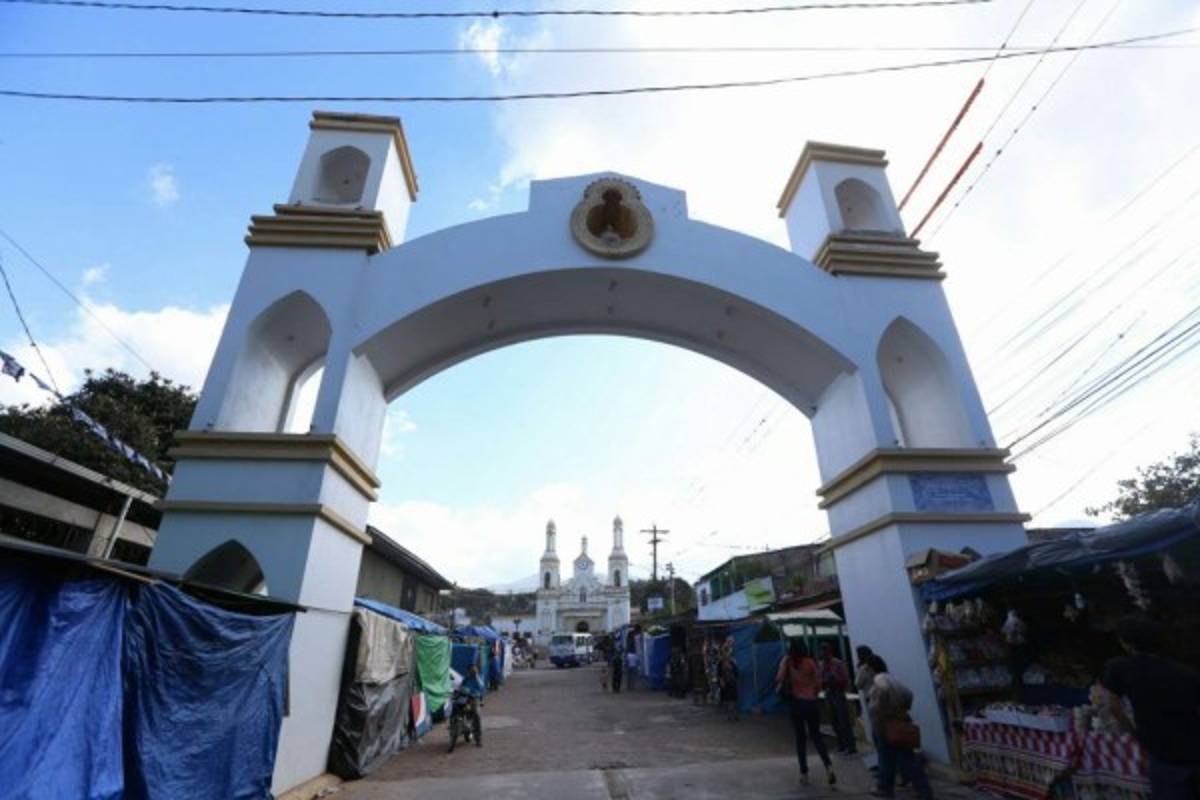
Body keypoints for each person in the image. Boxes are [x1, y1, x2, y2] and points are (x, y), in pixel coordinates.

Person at [1100, 615, 1200, 800]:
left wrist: (1133, 731)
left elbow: (1112, 704)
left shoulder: (1120, 667)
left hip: (1163, 753)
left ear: (1126, 643)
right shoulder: (1185, 672)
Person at [866, 656, 932, 800]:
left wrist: (881, 710)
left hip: (885, 724)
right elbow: (909, 694)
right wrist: (902, 709)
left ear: (872, 668)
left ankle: (885, 788)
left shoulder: (879, 679)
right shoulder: (891, 678)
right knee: (906, 758)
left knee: (886, 758)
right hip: (899, 722)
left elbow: (883, 691)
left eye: (868, 668)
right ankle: (924, 790)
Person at [776, 640, 837, 786]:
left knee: (800, 739)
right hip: (811, 703)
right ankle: (828, 767)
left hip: (796, 704)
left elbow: (778, 678)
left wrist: (784, 667)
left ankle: (804, 774)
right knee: (817, 737)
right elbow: (818, 684)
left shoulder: (789, 661)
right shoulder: (811, 662)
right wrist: (813, 693)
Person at [821, 642, 857, 755]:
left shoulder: (837, 663)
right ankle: (841, 745)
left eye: (824, 652)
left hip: (838, 692)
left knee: (843, 720)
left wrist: (834, 680)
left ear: (829, 652)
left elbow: (845, 680)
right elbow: (820, 678)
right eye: (821, 652)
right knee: (834, 720)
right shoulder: (823, 665)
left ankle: (850, 747)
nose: (822, 654)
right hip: (829, 692)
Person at [719, 653, 740, 721]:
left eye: (727, 655)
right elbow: (719, 674)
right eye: (724, 655)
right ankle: (730, 716)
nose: (726, 656)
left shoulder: (732, 663)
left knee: (733, 700)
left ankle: (734, 715)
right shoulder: (721, 664)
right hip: (725, 684)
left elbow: (736, 673)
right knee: (727, 700)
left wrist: (736, 680)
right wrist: (721, 681)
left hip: (732, 683)